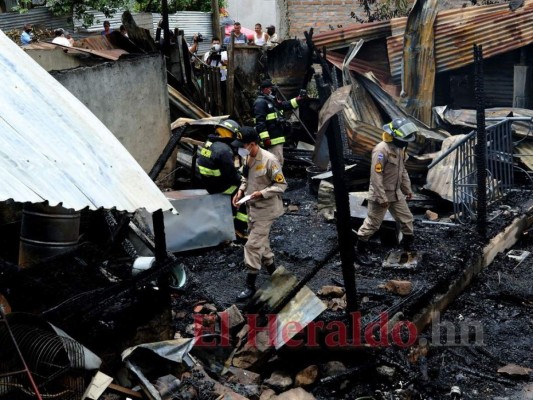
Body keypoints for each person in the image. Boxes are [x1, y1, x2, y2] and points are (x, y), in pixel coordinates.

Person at [231, 127, 288, 301]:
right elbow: (245, 178)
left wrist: (261, 193)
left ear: (253, 144)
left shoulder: (270, 160)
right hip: (251, 209)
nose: (240, 148)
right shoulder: (246, 156)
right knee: (262, 243)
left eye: (243, 145)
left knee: (252, 245)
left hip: (266, 210)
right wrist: (240, 191)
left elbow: (282, 185)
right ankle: (274, 273)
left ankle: (250, 284)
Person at [355, 118, 418, 265]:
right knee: (373, 223)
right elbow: (376, 176)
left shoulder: (400, 150)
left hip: (396, 193)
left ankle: (408, 244)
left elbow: (403, 172)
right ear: (394, 136)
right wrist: (381, 197)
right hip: (380, 194)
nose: (406, 142)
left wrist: (407, 189)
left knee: (406, 218)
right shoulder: (381, 150)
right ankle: (359, 251)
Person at [196, 120, 248, 237]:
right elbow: (231, 175)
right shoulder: (224, 150)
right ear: (231, 133)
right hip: (220, 186)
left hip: (208, 182)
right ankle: (239, 228)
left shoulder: (210, 142)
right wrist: (244, 181)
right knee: (245, 195)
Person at [253, 79, 306, 166]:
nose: (273, 90)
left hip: (277, 137)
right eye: (271, 88)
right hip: (272, 139)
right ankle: (276, 179)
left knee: (278, 161)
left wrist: (297, 99)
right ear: (265, 89)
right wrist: (265, 138)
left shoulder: (271, 100)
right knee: (276, 163)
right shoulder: (260, 103)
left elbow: (284, 105)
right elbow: (260, 122)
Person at [203, 37, 228, 104]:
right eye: (214, 43)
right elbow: (206, 65)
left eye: (217, 43)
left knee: (223, 95)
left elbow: (226, 66)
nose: (216, 45)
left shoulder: (224, 53)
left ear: (220, 44)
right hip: (210, 77)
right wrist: (211, 56)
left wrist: (221, 62)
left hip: (222, 77)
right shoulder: (207, 53)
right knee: (211, 95)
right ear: (211, 44)